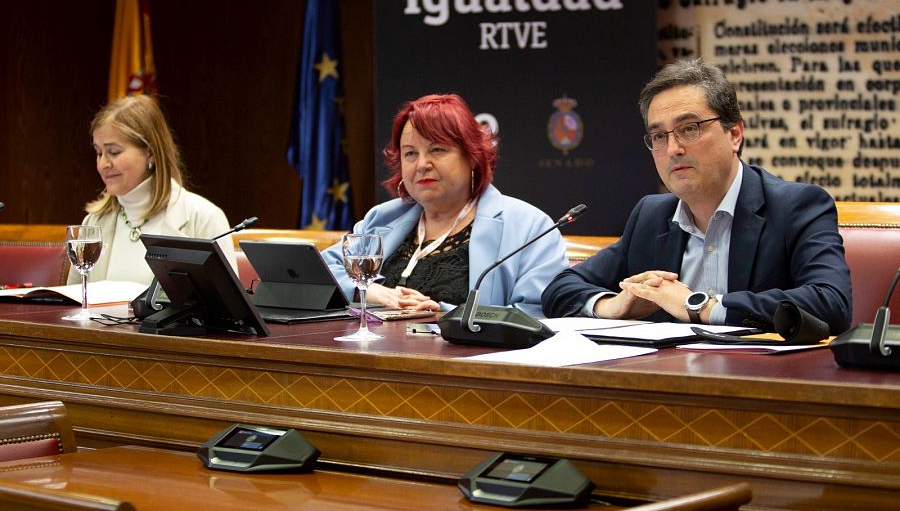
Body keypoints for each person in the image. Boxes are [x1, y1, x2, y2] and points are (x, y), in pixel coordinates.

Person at [541, 59, 852, 335]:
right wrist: (613, 306)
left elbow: (830, 303)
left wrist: (699, 306)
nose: (673, 149)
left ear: (734, 134)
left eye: (689, 129)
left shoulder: (797, 207)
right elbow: (560, 289)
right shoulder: (651, 216)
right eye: (659, 136)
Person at [322, 93, 569, 313]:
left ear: (472, 157)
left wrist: (443, 314)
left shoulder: (529, 227)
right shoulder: (383, 218)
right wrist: (366, 291)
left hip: (468, 361)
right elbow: (320, 271)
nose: (422, 164)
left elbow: (535, 314)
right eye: (410, 153)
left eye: (437, 150)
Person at [68, 95, 236, 285]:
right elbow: (74, 305)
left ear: (151, 152)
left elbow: (227, 310)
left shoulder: (204, 218)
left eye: (114, 152)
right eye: (99, 153)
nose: (103, 164)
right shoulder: (93, 222)